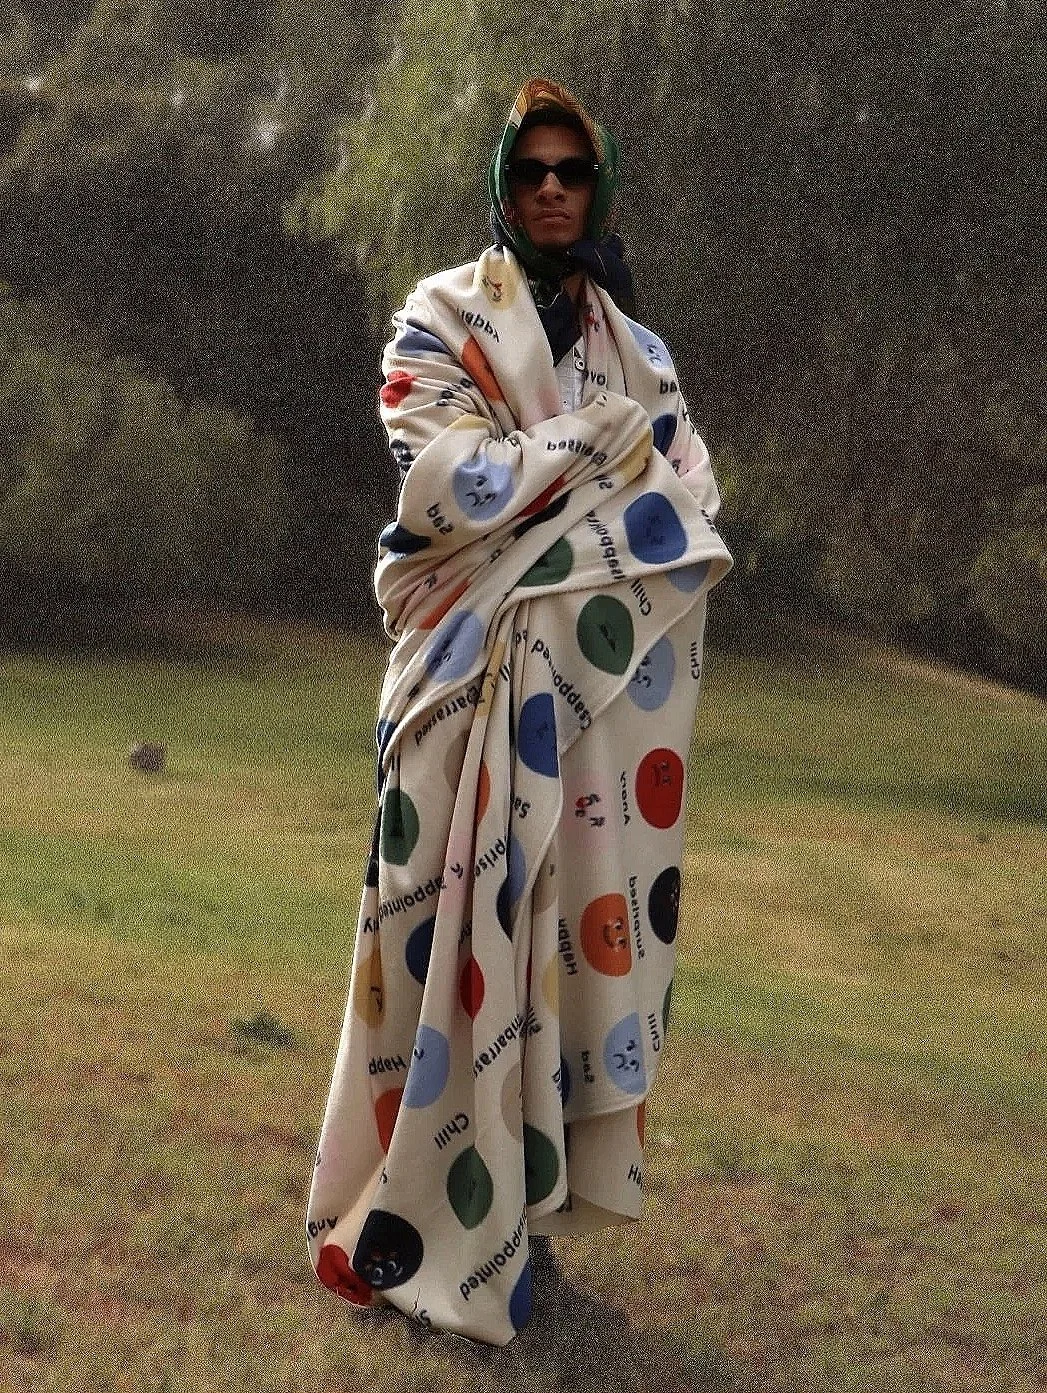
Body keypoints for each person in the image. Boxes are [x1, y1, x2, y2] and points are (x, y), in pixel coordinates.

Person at [306, 77, 732, 1347]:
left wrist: (579, 471)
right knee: (433, 939)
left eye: (576, 172)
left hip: (592, 717)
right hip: (455, 691)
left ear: (598, 190)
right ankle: (399, 1219)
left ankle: (519, 1222)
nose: (555, 187)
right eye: (534, 169)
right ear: (502, 181)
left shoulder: (641, 355)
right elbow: (446, 483)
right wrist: (602, 456)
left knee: (556, 946)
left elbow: (692, 505)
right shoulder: (437, 320)